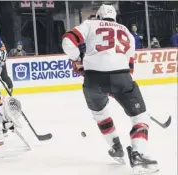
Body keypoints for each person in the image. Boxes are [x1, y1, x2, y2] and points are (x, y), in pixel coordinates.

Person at [62, 4, 158, 174]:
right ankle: (138, 153)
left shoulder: (90, 24)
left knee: (101, 116)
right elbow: (130, 66)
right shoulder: (126, 31)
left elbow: (68, 40)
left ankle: (116, 147)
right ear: (115, 17)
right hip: (121, 77)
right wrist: (117, 85)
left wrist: (79, 59)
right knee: (141, 117)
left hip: (93, 80)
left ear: (98, 16)